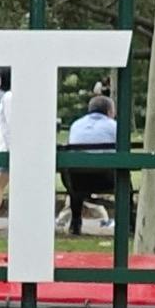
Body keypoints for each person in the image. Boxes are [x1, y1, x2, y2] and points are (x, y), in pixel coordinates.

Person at [58, 93, 127, 243]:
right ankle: (129, 223)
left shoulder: (76, 125)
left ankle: (76, 223)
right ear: (109, 111)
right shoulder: (115, 126)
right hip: (105, 178)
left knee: (76, 185)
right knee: (125, 182)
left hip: (76, 181)